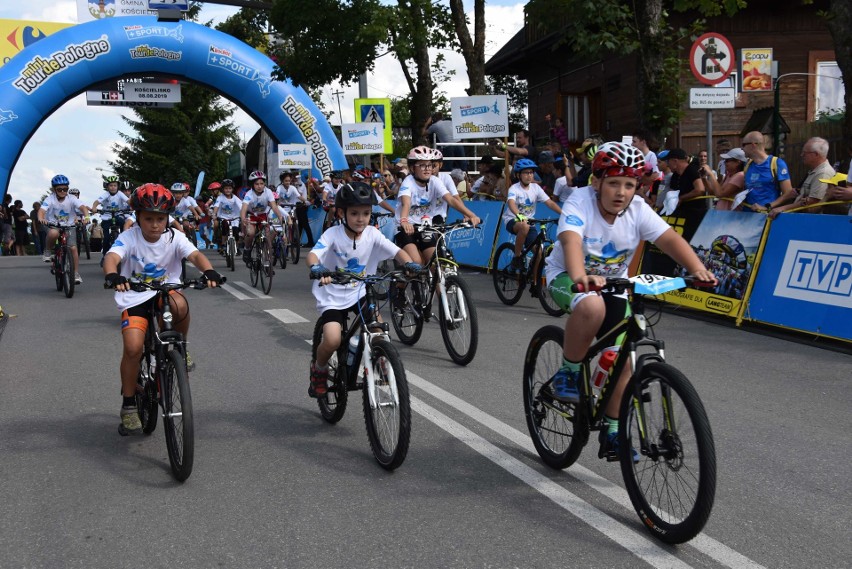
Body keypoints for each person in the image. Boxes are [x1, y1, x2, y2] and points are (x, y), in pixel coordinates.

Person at [543, 142, 716, 460]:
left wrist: (697, 269)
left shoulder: (638, 209)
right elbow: (571, 239)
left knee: (623, 358)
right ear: (597, 183)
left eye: (629, 184)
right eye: (613, 183)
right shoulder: (580, 201)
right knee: (591, 305)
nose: (621, 192)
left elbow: (670, 239)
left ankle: (612, 432)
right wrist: (582, 276)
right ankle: (568, 374)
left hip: (614, 285)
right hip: (568, 277)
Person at [103, 183, 223, 435]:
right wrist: (113, 275)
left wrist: (209, 270)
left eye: (160, 218)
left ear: (167, 218)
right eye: (148, 218)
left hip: (165, 293)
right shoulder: (129, 237)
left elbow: (194, 255)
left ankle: (181, 347)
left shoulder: (175, 237)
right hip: (134, 297)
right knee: (134, 347)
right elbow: (112, 257)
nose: (155, 224)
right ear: (137, 217)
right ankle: (128, 405)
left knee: (180, 303)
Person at [306, 182, 420, 397]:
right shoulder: (332, 234)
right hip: (332, 295)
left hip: (360, 292)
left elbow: (397, 252)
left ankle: (383, 364)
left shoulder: (372, 234)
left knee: (379, 330)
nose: (361, 219)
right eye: (355, 213)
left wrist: (409, 264)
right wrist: (317, 267)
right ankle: (319, 370)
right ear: (342, 213)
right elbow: (313, 254)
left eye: (366, 213)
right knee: (332, 339)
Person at [394, 146, 481, 271]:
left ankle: (440, 290)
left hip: (426, 226)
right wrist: (404, 221)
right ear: (413, 168)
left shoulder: (435, 181)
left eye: (429, 165)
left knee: (435, 263)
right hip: (406, 228)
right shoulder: (408, 182)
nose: (427, 169)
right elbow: (406, 203)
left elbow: (451, 199)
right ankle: (399, 289)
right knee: (416, 263)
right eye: (422, 165)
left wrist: (471, 215)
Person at [503, 158, 563, 272]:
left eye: (531, 172)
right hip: (512, 219)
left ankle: (534, 283)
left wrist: (563, 213)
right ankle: (517, 257)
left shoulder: (536, 188)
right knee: (524, 226)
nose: (529, 175)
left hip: (529, 221)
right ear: (518, 175)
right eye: (526, 173)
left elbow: (549, 202)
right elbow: (511, 203)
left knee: (539, 253)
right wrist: (519, 215)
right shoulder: (514, 188)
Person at [39, 175, 90, 284]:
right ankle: (47, 251)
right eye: (59, 189)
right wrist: (41, 218)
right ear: (54, 190)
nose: (63, 191)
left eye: (65, 189)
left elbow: (83, 208)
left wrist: (86, 217)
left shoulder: (72, 198)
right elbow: (42, 210)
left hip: (69, 225)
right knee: (53, 233)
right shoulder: (50, 199)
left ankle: (75, 273)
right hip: (53, 224)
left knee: (73, 248)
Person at [769, 137, 834, 218]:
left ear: (816, 154)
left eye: (805, 153)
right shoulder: (814, 171)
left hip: (810, 222)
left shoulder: (823, 173)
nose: (801, 155)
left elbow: (813, 204)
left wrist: (782, 209)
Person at [741, 131, 795, 213]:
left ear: (753, 145)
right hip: (748, 218)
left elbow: (788, 193)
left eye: (743, 145)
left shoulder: (777, 163)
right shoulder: (747, 165)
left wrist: (766, 207)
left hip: (768, 218)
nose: (742, 148)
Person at [240, 170, 285, 263]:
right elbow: (243, 208)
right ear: (252, 184)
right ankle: (247, 249)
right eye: (257, 184)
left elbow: (274, 206)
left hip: (263, 216)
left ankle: (268, 262)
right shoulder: (249, 194)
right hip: (251, 216)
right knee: (251, 233)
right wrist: (243, 219)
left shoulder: (268, 192)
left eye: (262, 183)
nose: (259, 186)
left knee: (268, 238)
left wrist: (280, 217)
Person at [91, 175, 130, 260]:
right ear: (107, 186)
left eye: (115, 185)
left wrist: (133, 206)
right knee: (106, 238)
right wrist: (94, 207)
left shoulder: (120, 194)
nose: (113, 187)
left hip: (118, 215)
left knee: (123, 224)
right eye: (111, 185)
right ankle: (105, 256)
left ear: (118, 186)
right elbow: (97, 202)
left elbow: (128, 201)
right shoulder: (106, 194)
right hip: (107, 216)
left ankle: (124, 240)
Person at [664, 148, 708, 217]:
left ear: (675, 161)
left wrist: (681, 198)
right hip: (680, 213)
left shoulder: (692, 170)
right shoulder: (675, 175)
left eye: (668, 161)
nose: (667, 165)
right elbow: (672, 192)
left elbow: (700, 190)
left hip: (696, 214)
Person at [211, 178, 243, 252]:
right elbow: (216, 206)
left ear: (232, 189)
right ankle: (222, 245)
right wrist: (214, 214)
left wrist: (243, 215)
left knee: (236, 232)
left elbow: (241, 207)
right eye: (226, 188)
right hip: (223, 218)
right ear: (222, 189)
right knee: (224, 230)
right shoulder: (220, 197)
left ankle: (237, 247)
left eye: (229, 188)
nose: (228, 190)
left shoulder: (235, 198)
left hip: (234, 218)